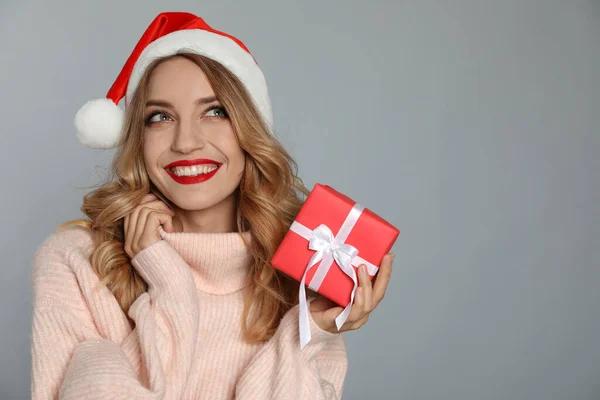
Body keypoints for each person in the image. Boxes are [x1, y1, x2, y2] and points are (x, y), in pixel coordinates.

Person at [31, 11, 394, 400]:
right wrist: (167, 277)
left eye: (215, 111)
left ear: (249, 131)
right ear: (138, 138)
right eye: (160, 117)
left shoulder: (304, 276)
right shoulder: (76, 262)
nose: (186, 141)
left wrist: (305, 333)